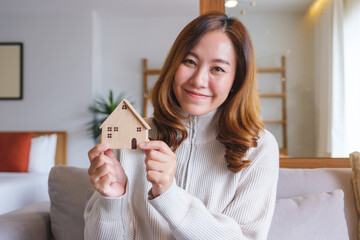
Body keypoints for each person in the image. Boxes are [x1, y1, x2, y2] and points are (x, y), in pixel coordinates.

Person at [85, 12, 279, 240]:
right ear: (174, 64)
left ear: (237, 79)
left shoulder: (258, 147)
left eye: (218, 69)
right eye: (190, 61)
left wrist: (169, 194)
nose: (198, 80)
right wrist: (112, 199)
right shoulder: (130, 136)